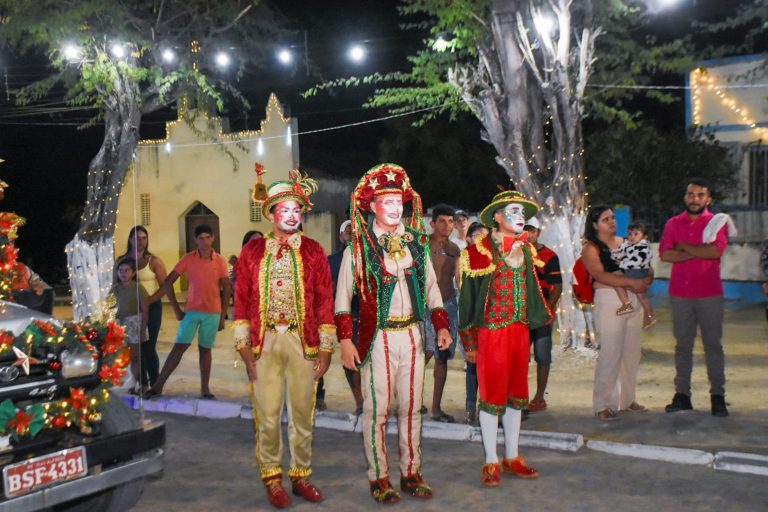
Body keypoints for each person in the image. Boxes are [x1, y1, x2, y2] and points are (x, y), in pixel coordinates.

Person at [335, 163, 451, 504]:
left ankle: (411, 472)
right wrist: (346, 340)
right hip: (379, 339)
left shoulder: (417, 245)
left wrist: (441, 325)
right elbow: (342, 300)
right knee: (377, 411)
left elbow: (432, 288)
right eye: (387, 202)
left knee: (412, 408)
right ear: (372, 206)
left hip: (413, 335)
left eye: (398, 202)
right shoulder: (358, 249)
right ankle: (379, 477)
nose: (395, 208)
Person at [233, 170, 336, 508]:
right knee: (267, 412)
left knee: (303, 412)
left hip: (302, 342)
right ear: (272, 213)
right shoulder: (252, 251)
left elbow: (324, 300)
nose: (292, 216)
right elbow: (241, 298)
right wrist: (244, 346)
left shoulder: (314, 251)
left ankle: (301, 474)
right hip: (264, 343)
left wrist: (326, 347)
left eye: (297, 210)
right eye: (285, 210)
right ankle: (272, 477)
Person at [459, 190, 551, 487]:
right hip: (491, 333)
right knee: (491, 396)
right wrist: (470, 342)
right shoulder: (478, 252)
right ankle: (491, 460)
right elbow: (468, 300)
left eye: (522, 212)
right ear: (497, 217)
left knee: (516, 395)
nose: (520, 216)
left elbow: (533, 291)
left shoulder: (526, 250)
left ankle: (512, 456)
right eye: (514, 211)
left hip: (519, 332)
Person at [660, 178, 732, 417]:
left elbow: (715, 251)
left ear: (708, 199)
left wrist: (683, 246)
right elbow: (665, 254)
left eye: (700, 195)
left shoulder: (717, 222)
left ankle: (718, 396)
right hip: (680, 294)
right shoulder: (673, 223)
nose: (695, 199)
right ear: (685, 197)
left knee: (713, 346)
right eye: (691, 194)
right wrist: (699, 251)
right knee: (683, 346)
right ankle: (682, 395)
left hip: (709, 294)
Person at [143, 224, 230, 400]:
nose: (204, 242)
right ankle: (158, 386)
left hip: (212, 313)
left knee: (205, 350)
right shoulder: (188, 259)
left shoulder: (220, 260)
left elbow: (227, 288)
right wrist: (176, 308)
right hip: (192, 311)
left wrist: (223, 316)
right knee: (179, 347)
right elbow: (168, 282)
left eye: (207, 237)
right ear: (195, 240)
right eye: (201, 238)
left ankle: (205, 389)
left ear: (213, 238)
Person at [581, 205, 650, 421]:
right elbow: (601, 275)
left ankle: (627, 400)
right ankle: (603, 404)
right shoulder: (591, 248)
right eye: (606, 219)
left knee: (631, 354)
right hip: (610, 300)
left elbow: (643, 262)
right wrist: (632, 282)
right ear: (595, 225)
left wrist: (647, 278)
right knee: (610, 355)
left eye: (612, 218)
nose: (612, 222)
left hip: (633, 300)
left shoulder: (625, 242)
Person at [118, 225, 168, 388]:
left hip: (151, 307)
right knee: (135, 348)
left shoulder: (154, 261)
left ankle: (155, 383)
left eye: (143, 238)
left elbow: (165, 286)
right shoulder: (122, 261)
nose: (140, 241)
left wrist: (149, 300)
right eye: (136, 238)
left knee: (148, 346)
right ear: (130, 240)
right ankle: (142, 383)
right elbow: (115, 285)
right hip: (130, 310)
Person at [424, 203, 461, 423]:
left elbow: (458, 280)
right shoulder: (422, 245)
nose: (447, 225)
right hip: (426, 307)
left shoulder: (455, 249)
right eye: (442, 221)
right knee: (423, 354)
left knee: (442, 357)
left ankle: (436, 408)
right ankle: (407, 400)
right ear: (432, 223)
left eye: (450, 221)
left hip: (449, 305)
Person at [522, 217, 562, 413]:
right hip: (521, 314)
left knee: (542, 355)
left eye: (532, 231)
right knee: (521, 356)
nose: (529, 235)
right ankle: (520, 396)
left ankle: (539, 397)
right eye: (526, 230)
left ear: (538, 232)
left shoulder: (549, 256)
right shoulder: (517, 253)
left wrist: (547, 309)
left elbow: (558, 286)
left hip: (542, 315)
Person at [326, 219, 364, 415]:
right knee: (351, 362)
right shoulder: (332, 260)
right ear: (341, 236)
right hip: (348, 317)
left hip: (370, 317)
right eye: (347, 231)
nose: (351, 233)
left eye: (354, 231)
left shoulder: (370, 256)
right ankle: (360, 402)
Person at [461, 221, 489, 425]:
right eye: (478, 235)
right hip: (472, 321)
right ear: (469, 238)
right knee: (473, 366)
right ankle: (470, 408)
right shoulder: (466, 258)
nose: (482, 240)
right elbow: (466, 298)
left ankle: (487, 407)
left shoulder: (494, 259)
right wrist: (469, 339)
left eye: (485, 236)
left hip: (493, 324)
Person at [110, 256, 149, 392]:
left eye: (127, 270)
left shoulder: (138, 288)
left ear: (133, 273)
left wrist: (143, 329)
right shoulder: (115, 289)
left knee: (135, 356)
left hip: (134, 323)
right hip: (119, 325)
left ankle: (139, 383)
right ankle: (129, 383)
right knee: (122, 356)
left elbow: (145, 309)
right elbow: (109, 308)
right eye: (120, 270)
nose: (123, 273)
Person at [611, 221, 656, 328]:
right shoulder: (629, 244)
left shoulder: (643, 247)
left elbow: (636, 262)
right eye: (630, 234)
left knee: (616, 282)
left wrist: (621, 263)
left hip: (637, 271)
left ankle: (627, 303)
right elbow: (620, 252)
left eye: (636, 234)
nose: (632, 237)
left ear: (644, 237)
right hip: (634, 271)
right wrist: (614, 255)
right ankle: (650, 317)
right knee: (642, 297)